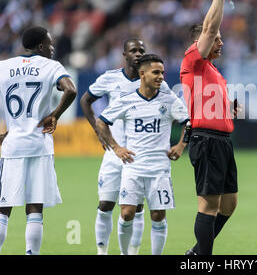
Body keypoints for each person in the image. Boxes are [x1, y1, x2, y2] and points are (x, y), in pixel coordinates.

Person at [80, 38, 174, 255]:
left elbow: (174, 109)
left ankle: (132, 252)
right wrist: (97, 131)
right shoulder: (110, 79)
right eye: (133, 50)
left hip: (140, 157)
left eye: (142, 50)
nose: (138, 53)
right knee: (105, 204)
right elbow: (86, 100)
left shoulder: (156, 82)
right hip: (115, 153)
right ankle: (101, 251)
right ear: (124, 54)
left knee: (135, 208)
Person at [96, 53, 189, 255]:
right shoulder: (127, 100)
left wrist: (181, 146)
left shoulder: (169, 99)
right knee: (127, 213)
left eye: (162, 73)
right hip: (133, 167)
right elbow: (101, 121)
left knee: (157, 215)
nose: (161, 77)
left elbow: (188, 123)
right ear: (142, 74)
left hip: (159, 169)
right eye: (156, 72)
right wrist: (116, 147)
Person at [0, 26, 77, 254]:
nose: (52, 48)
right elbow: (70, 90)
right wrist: (54, 115)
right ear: (42, 46)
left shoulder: (4, 66)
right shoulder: (51, 66)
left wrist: (7, 129)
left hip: (12, 146)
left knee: (3, 209)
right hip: (39, 144)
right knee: (35, 209)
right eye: (50, 44)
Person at [180, 0, 239, 255]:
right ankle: (202, 258)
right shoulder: (193, 61)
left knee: (229, 204)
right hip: (207, 141)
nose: (221, 43)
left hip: (222, 142)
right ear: (201, 43)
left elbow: (211, 105)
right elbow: (208, 28)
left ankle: (196, 252)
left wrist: (229, 110)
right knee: (209, 205)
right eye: (217, 39)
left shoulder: (214, 71)